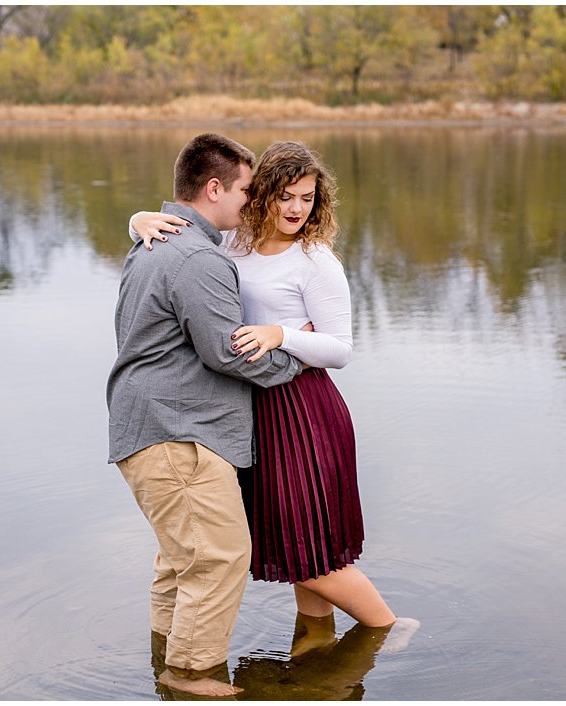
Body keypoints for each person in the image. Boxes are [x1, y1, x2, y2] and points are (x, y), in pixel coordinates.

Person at [131, 141, 419, 657]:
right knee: (300, 539)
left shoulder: (314, 260)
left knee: (310, 550)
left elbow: (340, 349)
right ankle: (315, 650)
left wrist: (280, 335)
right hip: (253, 405)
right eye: (286, 195)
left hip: (302, 409)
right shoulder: (232, 245)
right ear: (260, 193)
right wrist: (138, 221)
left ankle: (392, 629)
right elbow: (184, 241)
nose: (295, 209)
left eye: (307, 198)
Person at [107, 133, 304, 697]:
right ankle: (191, 677)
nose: (254, 202)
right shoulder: (196, 255)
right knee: (220, 557)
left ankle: (165, 664)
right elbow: (227, 350)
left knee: (181, 561)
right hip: (178, 433)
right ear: (214, 188)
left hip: (147, 428)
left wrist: (136, 219)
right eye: (246, 191)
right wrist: (298, 356)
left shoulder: (151, 243)